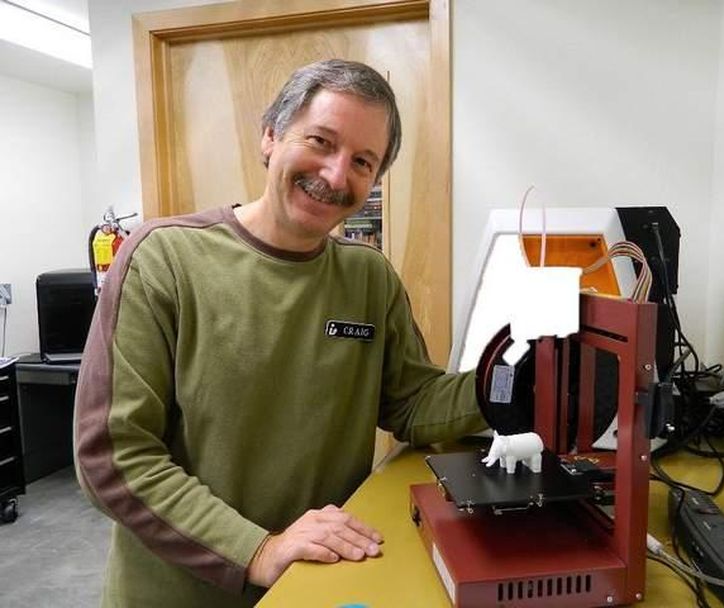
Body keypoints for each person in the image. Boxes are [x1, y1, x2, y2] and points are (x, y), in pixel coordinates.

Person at [74, 58, 487, 607]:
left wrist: (513, 379)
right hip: (181, 593)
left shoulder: (368, 275)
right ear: (270, 136)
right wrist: (257, 550)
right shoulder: (163, 259)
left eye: (362, 161)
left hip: (314, 583)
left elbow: (411, 403)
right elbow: (113, 456)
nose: (337, 175)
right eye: (320, 141)